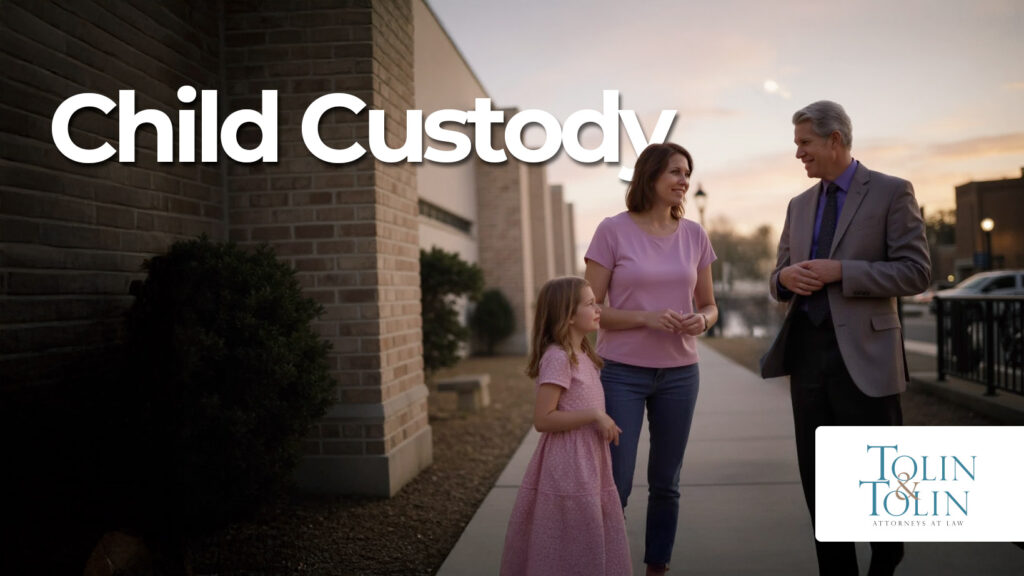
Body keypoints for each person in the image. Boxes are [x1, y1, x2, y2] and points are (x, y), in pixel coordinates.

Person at [760, 100, 930, 576]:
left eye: (804, 143)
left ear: (835, 140)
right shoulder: (798, 206)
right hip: (808, 359)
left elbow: (916, 272)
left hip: (868, 360)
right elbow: (775, 275)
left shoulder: (893, 193)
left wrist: (843, 272)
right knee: (822, 489)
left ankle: (885, 562)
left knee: (881, 486)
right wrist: (784, 279)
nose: (798, 154)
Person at [584, 142, 718, 576]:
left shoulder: (696, 235)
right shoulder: (612, 230)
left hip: (681, 375)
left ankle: (657, 567)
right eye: (676, 172)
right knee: (616, 483)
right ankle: (609, 565)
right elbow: (588, 310)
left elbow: (710, 305)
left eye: (687, 173)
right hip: (621, 373)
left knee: (667, 484)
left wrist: (702, 320)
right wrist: (645, 318)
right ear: (651, 176)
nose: (684, 181)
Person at [500, 276, 632, 576]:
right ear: (569, 315)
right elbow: (543, 419)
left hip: (590, 462)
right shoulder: (558, 358)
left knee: (587, 537)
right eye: (589, 304)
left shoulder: (583, 353)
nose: (598, 308)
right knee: (571, 538)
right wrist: (595, 416)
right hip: (568, 465)